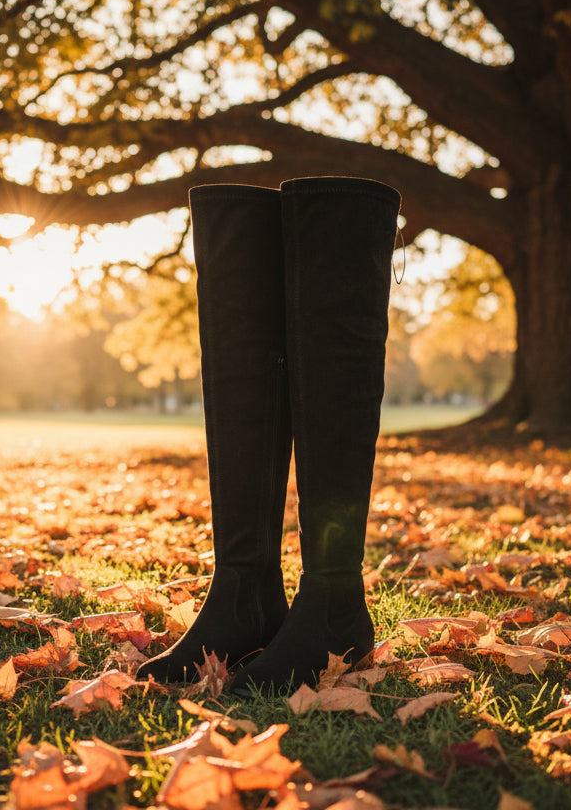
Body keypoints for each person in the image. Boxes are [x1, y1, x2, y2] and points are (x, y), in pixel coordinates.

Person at [136, 177, 402, 695]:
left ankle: (333, 604)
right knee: (242, 325)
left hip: (329, 609)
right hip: (241, 598)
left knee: (331, 341)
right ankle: (244, 593)